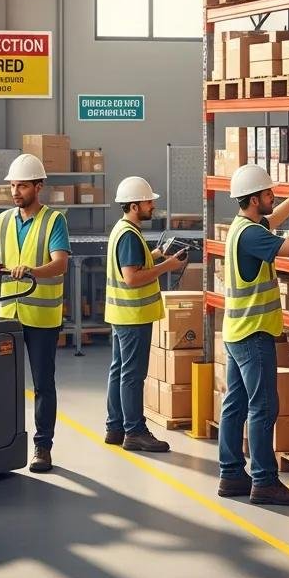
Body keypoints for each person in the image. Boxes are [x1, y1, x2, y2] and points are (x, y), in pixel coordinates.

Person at [219, 159, 289, 506]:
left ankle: (231, 474)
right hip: (254, 334)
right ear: (255, 199)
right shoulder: (252, 234)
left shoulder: (243, 227)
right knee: (264, 408)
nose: (273, 197)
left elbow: (276, 218)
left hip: (236, 331)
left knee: (235, 405)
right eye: (269, 193)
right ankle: (265, 480)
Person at [0, 153, 70, 474]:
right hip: (8, 317)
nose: (15, 192)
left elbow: (60, 264)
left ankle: (42, 446)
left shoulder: (54, 221)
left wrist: (31, 270)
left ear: (38, 187)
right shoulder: (2, 221)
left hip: (41, 319)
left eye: (22, 186)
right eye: (12, 186)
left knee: (42, 385)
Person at [104, 176, 188, 452]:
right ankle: (135, 431)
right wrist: (169, 266)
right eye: (148, 202)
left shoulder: (123, 229)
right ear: (134, 205)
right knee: (132, 374)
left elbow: (132, 264)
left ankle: (115, 427)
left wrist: (157, 255)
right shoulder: (129, 235)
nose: (152, 206)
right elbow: (132, 277)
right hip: (133, 316)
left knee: (119, 370)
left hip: (121, 315)